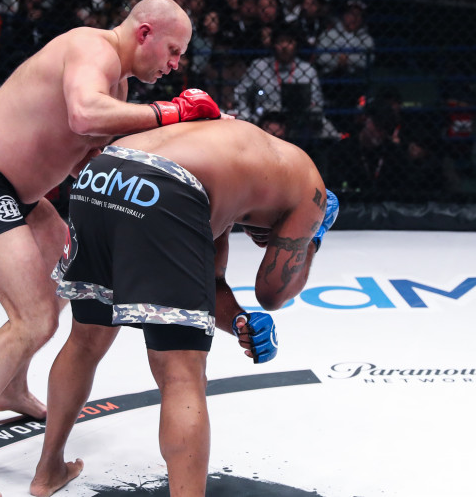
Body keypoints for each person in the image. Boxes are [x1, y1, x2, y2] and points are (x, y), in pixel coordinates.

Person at [0, 0, 225, 497]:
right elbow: (84, 114)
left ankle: (10, 387)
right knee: (33, 319)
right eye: (173, 50)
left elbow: (89, 154)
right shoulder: (91, 48)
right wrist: (170, 111)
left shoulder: (119, 86)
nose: (176, 64)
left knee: (69, 281)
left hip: (22, 195)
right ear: (145, 33)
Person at [29, 118, 340, 497]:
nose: (259, 240)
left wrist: (238, 321)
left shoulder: (239, 169)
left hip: (101, 174)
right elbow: (272, 293)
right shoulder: (311, 192)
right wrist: (313, 239)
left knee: (85, 340)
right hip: (169, 187)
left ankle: (47, 471)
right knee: (182, 375)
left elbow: (209, 281)